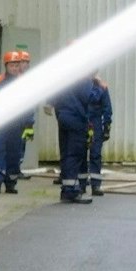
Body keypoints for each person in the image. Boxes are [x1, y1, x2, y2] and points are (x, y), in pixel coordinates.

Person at [0, 49, 33, 193]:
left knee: (14, 153)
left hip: (17, 125)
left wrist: (29, 125)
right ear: (6, 66)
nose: (14, 68)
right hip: (0, 124)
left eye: (16, 65)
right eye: (12, 65)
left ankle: (10, 183)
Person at [52, 74, 100, 204]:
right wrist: (98, 87)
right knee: (75, 154)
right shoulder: (82, 78)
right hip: (76, 118)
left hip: (63, 117)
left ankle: (66, 189)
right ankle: (72, 191)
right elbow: (90, 97)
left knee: (66, 154)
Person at [85, 74, 112, 196]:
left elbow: (107, 108)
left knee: (95, 154)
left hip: (94, 122)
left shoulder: (101, 87)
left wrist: (107, 126)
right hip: (83, 121)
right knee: (81, 153)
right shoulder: (82, 86)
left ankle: (95, 184)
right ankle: (81, 184)